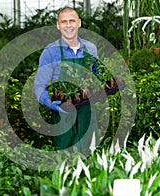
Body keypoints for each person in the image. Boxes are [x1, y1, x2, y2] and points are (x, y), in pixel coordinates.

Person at [34, 7, 101, 152]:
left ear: (79, 23)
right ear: (58, 25)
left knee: (91, 158)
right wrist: (50, 103)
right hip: (63, 115)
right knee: (65, 160)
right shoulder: (50, 52)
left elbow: (97, 75)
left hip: (87, 113)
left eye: (72, 21)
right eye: (64, 22)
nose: (68, 25)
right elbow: (39, 86)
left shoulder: (91, 48)